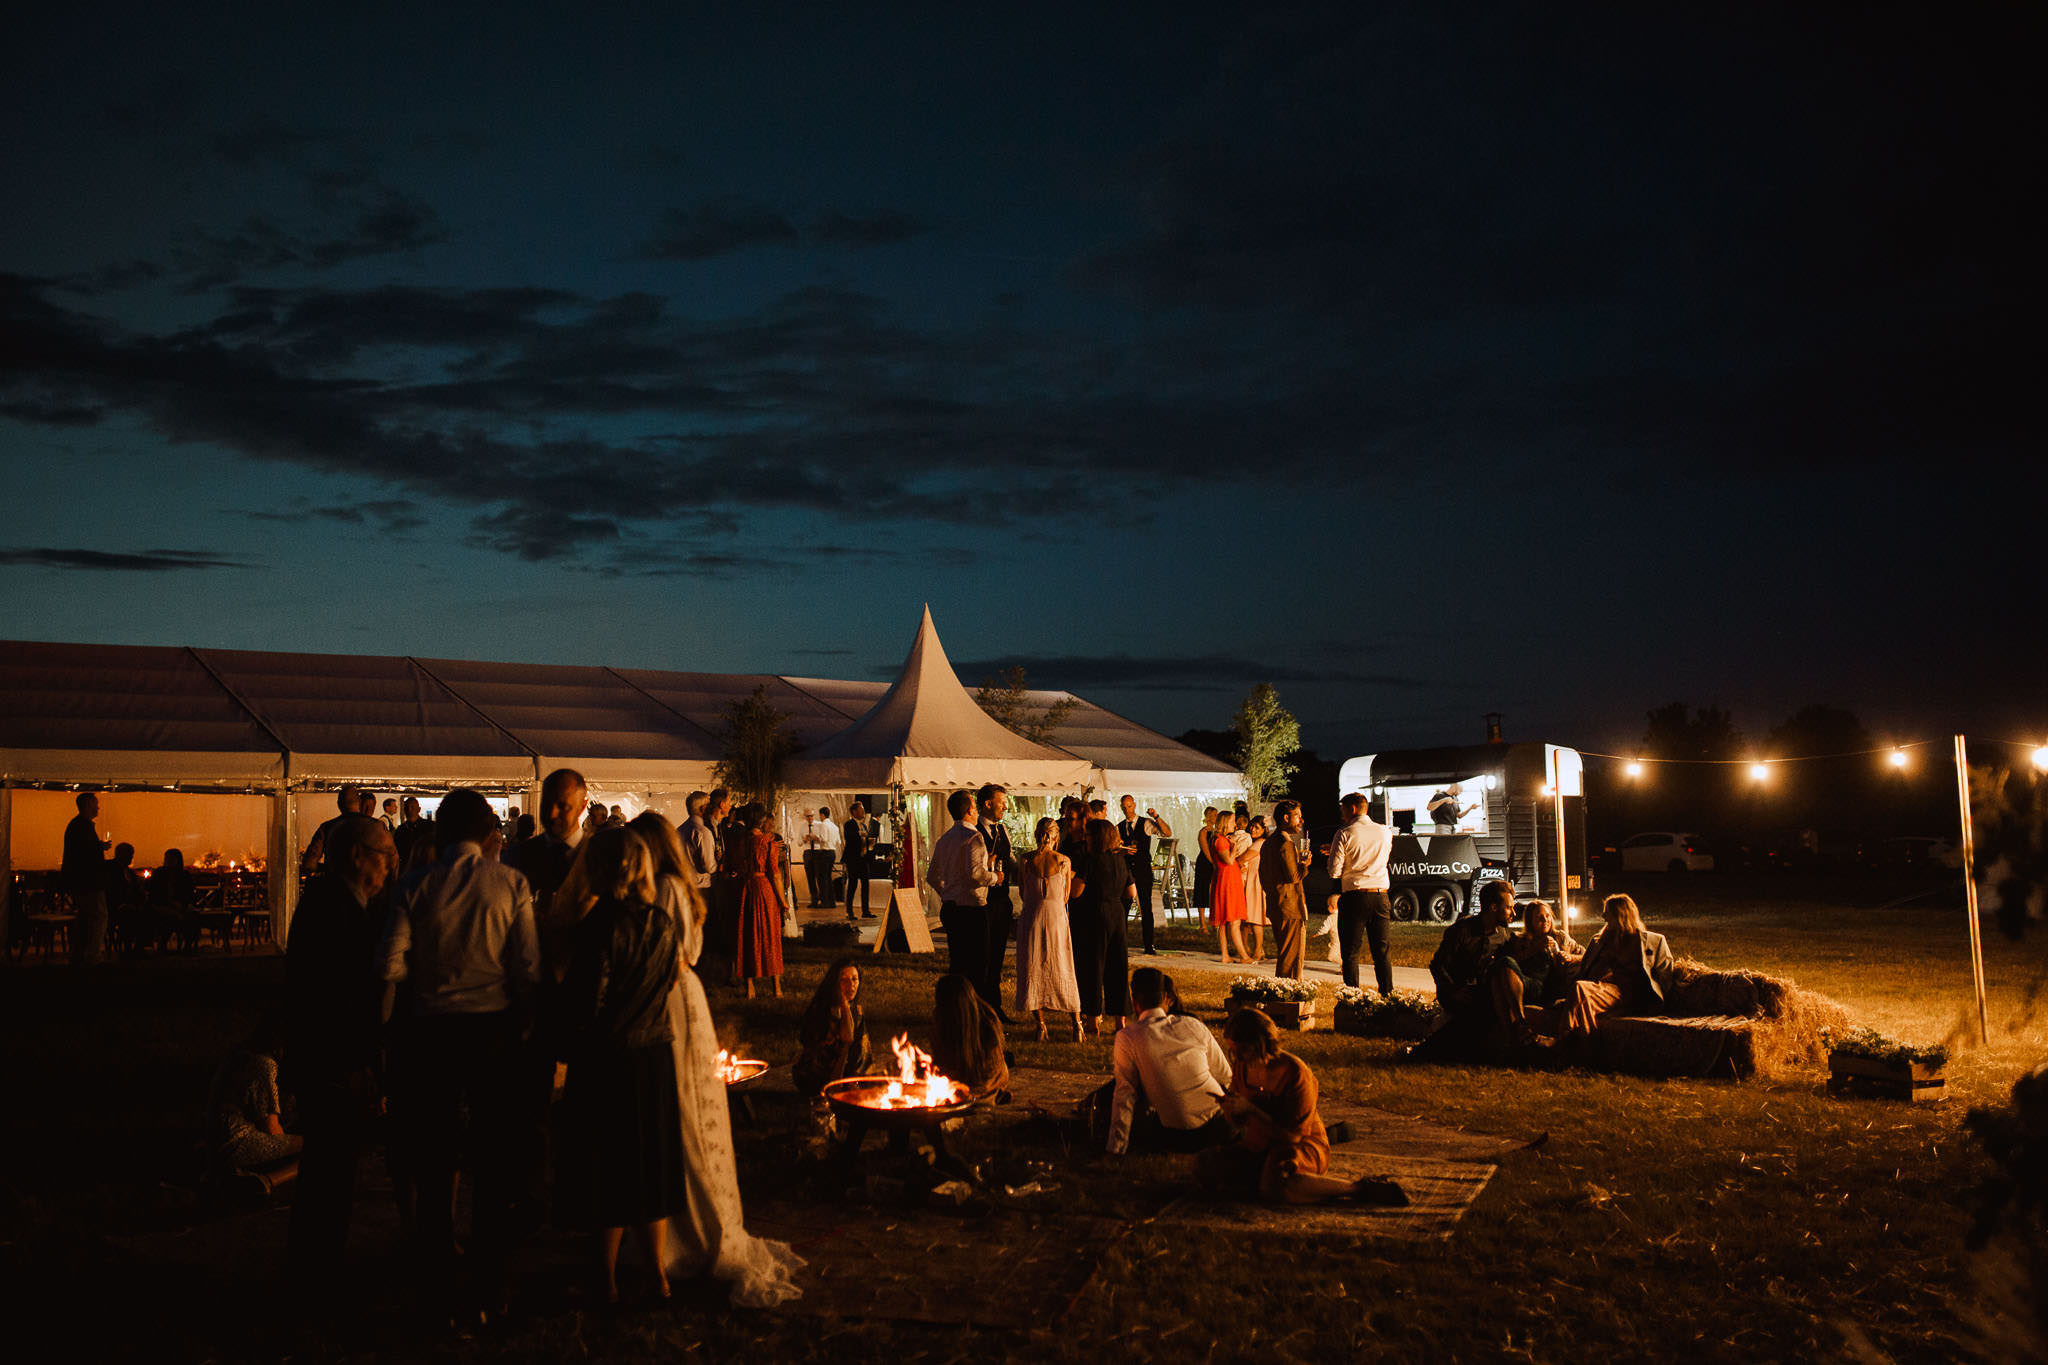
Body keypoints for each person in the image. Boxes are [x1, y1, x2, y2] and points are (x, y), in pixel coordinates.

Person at [379, 789, 539, 1313]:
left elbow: (387, 967)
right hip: (492, 1028)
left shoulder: (414, 885)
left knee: (435, 1145)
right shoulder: (511, 883)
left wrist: (422, 976)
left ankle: (436, 1252)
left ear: (441, 833)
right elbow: (527, 967)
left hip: (431, 1030)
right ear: (490, 834)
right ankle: (490, 1258)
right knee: (493, 1146)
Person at [553, 826, 685, 1303]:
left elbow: (589, 998)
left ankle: (604, 1277)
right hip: (654, 1055)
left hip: (608, 1059)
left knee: (606, 1164)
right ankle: (656, 1272)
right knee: (652, 1160)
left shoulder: (599, 926)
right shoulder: (662, 922)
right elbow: (668, 983)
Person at [284, 813, 396, 1288]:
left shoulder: (332, 904)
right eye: (384, 856)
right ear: (357, 856)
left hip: (324, 1060)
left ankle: (316, 1262)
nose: (390, 867)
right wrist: (353, 1064)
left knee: (329, 1167)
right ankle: (317, 1270)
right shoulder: (337, 910)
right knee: (330, 1169)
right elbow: (336, 998)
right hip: (332, 1064)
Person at [1198, 1008, 1406, 1207]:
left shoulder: (1295, 1073)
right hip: (1259, 1145)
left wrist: (1252, 1110)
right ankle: (1267, 1181)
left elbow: (1292, 1136)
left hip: (1299, 1146)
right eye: (1233, 1051)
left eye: (1242, 1050)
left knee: (1276, 1187)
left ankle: (1357, 1189)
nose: (1238, 1057)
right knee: (1205, 1165)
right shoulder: (1242, 1068)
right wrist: (1230, 1109)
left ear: (1260, 1043)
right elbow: (1239, 1125)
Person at [1106, 968, 1234, 1156]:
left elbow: (1124, 1095)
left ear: (1134, 1001)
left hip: (1177, 1134)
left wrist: (1115, 1149)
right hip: (1219, 1126)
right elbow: (1225, 1076)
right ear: (1166, 997)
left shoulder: (1129, 1037)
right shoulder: (1193, 1025)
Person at [1548, 894, 1676, 1039]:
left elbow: (1665, 974)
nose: (1603, 916)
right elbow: (1585, 967)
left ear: (1620, 914)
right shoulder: (1600, 941)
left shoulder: (1653, 941)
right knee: (1584, 1004)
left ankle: (1563, 1040)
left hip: (1631, 994)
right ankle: (1583, 1049)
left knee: (1580, 988)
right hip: (1604, 989)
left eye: (1607, 912)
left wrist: (1658, 1003)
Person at [206, 1015, 302, 1191]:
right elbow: (271, 1130)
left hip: (216, 1136)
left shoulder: (238, 1053)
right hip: (235, 1141)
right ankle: (267, 1181)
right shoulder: (264, 1064)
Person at [1015, 817, 1083, 1041]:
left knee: (1032, 965)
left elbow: (1024, 894)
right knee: (1063, 964)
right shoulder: (1064, 861)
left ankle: (1041, 1024)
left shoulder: (1025, 861)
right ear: (1055, 836)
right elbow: (1065, 897)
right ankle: (1077, 1023)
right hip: (1056, 918)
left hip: (1032, 916)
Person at [928, 789, 998, 993]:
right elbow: (976, 873)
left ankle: (956, 1004)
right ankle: (974, 1007)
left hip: (951, 907)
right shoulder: (974, 837)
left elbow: (932, 876)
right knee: (978, 963)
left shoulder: (945, 839)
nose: (977, 813)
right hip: (972, 908)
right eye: (975, 809)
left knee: (957, 962)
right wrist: (994, 878)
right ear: (969, 810)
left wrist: (947, 893)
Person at [1071, 819, 1135, 1038]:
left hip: (1095, 914)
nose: (1085, 838)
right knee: (1117, 966)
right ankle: (1120, 1020)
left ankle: (1092, 1019)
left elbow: (1076, 892)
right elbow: (1131, 893)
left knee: (1093, 966)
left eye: (1088, 835)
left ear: (1096, 838)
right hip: (1117, 914)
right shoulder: (1120, 861)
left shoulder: (1090, 860)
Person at [1326, 792, 1395, 993]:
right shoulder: (1385, 831)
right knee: (1382, 951)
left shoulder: (1344, 833)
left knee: (1350, 953)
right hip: (1380, 894)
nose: (1341, 813)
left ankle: (1352, 997)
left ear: (1353, 808)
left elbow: (1334, 871)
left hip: (1355, 896)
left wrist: (1334, 855)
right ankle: (1387, 996)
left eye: (1343, 808)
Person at [1489, 899, 1583, 1044]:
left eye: (1547, 916)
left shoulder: (1560, 937)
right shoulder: (1520, 939)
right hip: (1524, 984)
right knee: (1502, 968)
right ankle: (1516, 1029)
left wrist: (1569, 957)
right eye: (1539, 917)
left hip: (1546, 988)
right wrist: (1533, 949)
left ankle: (1515, 1029)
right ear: (1530, 922)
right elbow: (1507, 962)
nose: (1545, 920)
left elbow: (1585, 955)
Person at [1429, 879, 1517, 1020]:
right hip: (1458, 992)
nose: (1513, 913)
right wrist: (1453, 991)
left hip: (1484, 993)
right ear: (1493, 907)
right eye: (1508, 908)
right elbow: (1437, 965)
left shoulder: (1505, 935)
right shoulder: (1461, 931)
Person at [794, 958, 873, 1096]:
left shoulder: (856, 1010)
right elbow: (845, 1040)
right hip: (816, 1075)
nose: (851, 985)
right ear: (834, 983)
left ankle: (853, 1081)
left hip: (845, 1072)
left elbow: (860, 1048)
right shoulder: (822, 1010)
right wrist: (844, 1005)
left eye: (854, 979)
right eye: (844, 980)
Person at [930, 973, 1010, 1102]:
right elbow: (940, 1059)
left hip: (985, 1079)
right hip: (958, 1076)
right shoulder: (941, 1019)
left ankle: (993, 1096)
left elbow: (990, 1073)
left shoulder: (987, 1023)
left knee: (969, 1102)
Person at [733, 803, 786, 997]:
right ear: (762, 820)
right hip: (763, 888)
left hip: (744, 889)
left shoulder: (740, 840)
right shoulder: (767, 843)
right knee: (770, 935)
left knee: (747, 934)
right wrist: (783, 900)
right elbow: (775, 875)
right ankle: (776, 988)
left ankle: (749, 987)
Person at [977, 784, 1018, 1017]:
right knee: (984, 955)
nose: (1006, 806)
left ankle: (996, 1007)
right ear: (988, 804)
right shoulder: (974, 832)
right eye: (1002, 801)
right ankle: (983, 1006)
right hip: (983, 901)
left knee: (998, 956)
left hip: (1002, 900)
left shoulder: (1002, 830)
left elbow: (1010, 859)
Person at [1117, 796, 1172, 956]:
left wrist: (1156, 816)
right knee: (1124, 908)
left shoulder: (1146, 823)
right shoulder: (1119, 827)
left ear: (1134, 805)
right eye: (1124, 807)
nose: (1127, 809)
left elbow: (1167, 832)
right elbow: (1114, 848)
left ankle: (1149, 944)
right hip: (1126, 871)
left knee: (1146, 908)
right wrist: (1123, 850)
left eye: (1129, 806)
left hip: (1142, 870)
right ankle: (1122, 944)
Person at [1260, 802, 1309, 979]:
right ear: (1286, 818)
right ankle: (1286, 994)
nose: (1301, 820)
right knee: (1291, 956)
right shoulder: (1285, 843)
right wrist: (1304, 865)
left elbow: (1263, 875)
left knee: (1285, 951)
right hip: (1289, 906)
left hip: (1276, 903)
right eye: (1297, 815)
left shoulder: (1268, 843)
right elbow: (1293, 877)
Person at [61, 790, 108, 965]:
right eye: (95, 803)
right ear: (88, 805)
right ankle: (93, 954)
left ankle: (80, 953)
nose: (98, 807)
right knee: (98, 916)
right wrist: (98, 849)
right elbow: (86, 855)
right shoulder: (83, 826)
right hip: (89, 881)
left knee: (87, 917)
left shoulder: (77, 826)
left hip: (81, 881)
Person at [1207, 810, 1251, 965]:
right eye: (1233, 821)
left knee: (1225, 920)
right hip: (1227, 881)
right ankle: (1243, 956)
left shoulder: (1221, 839)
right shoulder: (1220, 841)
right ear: (1225, 823)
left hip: (1229, 879)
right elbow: (1229, 861)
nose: (1235, 824)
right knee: (1233, 920)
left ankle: (1226, 955)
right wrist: (1234, 847)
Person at [301, 785, 368, 876]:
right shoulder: (377, 827)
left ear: (338, 804)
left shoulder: (327, 827)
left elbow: (309, 865)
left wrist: (329, 869)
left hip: (335, 886)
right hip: (367, 886)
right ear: (359, 802)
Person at [148, 847, 199, 952]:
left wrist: (183, 904)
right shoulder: (159, 873)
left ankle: (188, 945)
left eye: (172, 859)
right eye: (167, 859)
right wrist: (170, 903)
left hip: (180, 905)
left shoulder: (184, 875)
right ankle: (163, 943)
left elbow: (189, 893)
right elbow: (155, 893)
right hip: (162, 905)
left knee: (192, 916)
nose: (169, 862)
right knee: (170, 916)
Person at [1237, 815, 1269, 960]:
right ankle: (1245, 948)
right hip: (1248, 881)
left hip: (1255, 882)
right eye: (1252, 826)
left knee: (1255, 917)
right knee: (1245, 918)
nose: (1252, 829)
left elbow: (1242, 858)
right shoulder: (1252, 842)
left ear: (1264, 830)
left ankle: (1258, 949)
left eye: (1257, 827)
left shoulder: (1260, 843)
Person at [801, 806, 840, 909]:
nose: (810, 818)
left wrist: (815, 837)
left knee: (822, 879)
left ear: (821, 815)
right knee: (824, 878)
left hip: (822, 852)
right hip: (828, 852)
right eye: (807, 816)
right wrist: (805, 839)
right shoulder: (835, 826)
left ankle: (825, 902)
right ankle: (828, 901)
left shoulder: (822, 825)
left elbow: (824, 839)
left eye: (812, 815)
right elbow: (838, 841)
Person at [841, 801, 875, 919]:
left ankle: (865, 910)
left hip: (863, 858)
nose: (863, 812)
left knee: (865, 884)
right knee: (852, 884)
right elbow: (850, 838)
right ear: (854, 812)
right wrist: (861, 835)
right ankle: (849, 911)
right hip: (853, 859)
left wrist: (869, 842)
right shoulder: (849, 824)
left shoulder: (864, 825)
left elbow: (865, 840)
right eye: (861, 810)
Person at [1192, 807, 1217, 919]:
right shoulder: (1203, 832)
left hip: (1215, 862)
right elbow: (1205, 849)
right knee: (1202, 890)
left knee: (1214, 891)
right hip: (1204, 863)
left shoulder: (1216, 832)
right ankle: (1202, 922)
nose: (1217, 817)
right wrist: (1213, 863)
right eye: (1215, 815)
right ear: (1209, 817)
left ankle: (1214, 919)